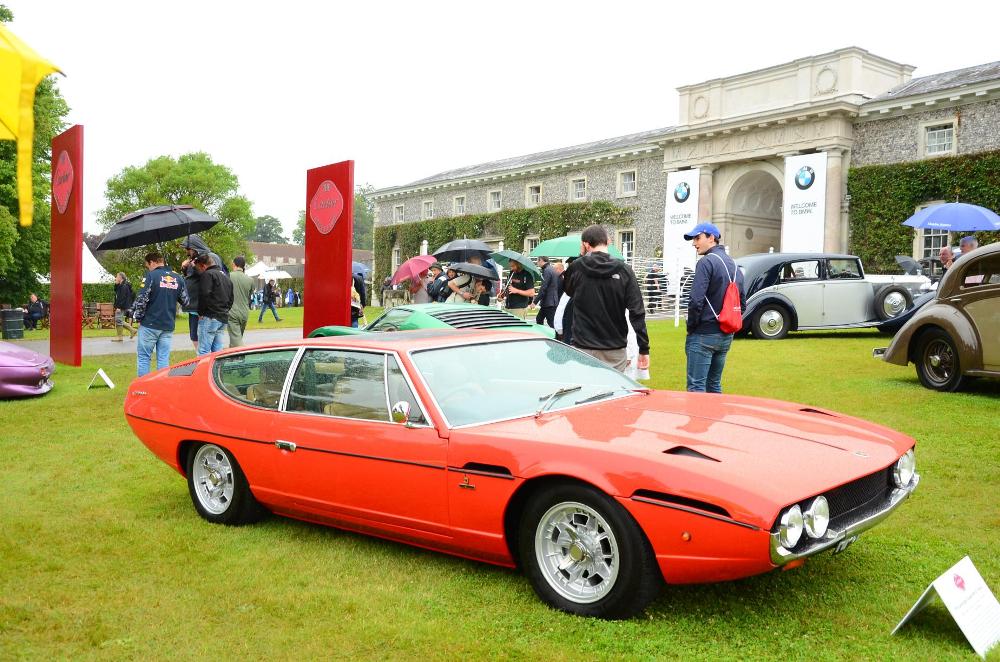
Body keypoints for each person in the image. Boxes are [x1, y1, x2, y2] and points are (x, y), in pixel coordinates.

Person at [564, 225, 649, 372]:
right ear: (608, 241)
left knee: (586, 391)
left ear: (585, 244)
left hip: (586, 345)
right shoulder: (624, 270)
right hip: (611, 348)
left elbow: (568, 290)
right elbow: (637, 311)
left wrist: (580, 256)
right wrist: (643, 347)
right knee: (614, 393)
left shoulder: (576, 267)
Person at [681, 222, 746, 393]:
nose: (694, 243)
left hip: (704, 333)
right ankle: (716, 420)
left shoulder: (706, 262)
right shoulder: (734, 265)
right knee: (714, 385)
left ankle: (700, 420)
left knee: (696, 387)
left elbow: (695, 300)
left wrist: (691, 327)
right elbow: (742, 302)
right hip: (726, 334)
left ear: (711, 238)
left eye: (697, 238)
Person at [132, 252, 189, 377]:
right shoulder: (177, 277)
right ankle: (161, 387)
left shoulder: (150, 276)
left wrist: (138, 317)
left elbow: (142, 299)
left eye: (147, 265)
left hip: (150, 324)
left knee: (144, 357)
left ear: (152, 262)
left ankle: (144, 389)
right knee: (163, 358)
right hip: (168, 324)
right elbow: (186, 301)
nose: (148, 268)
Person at [180, 235, 227, 349]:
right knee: (195, 337)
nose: (187, 252)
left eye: (188, 249)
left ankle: (205, 364)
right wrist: (185, 268)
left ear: (194, 247)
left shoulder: (210, 257)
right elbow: (193, 277)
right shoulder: (195, 259)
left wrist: (203, 311)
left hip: (204, 309)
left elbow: (211, 277)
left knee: (205, 346)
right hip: (195, 307)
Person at [194, 253, 234, 355]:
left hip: (210, 316)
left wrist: (201, 312)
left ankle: (203, 371)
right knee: (218, 352)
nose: (200, 271)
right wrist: (225, 310)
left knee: (203, 351)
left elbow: (204, 294)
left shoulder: (208, 274)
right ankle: (218, 371)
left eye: (199, 268)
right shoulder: (225, 275)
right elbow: (231, 298)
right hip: (223, 317)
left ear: (203, 265)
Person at [227, 256, 254, 348]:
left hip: (232, 312)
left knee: (236, 341)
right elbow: (249, 296)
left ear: (234, 264)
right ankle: (233, 359)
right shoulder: (250, 280)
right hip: (244, 312)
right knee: (237, 338)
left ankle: (241, 359)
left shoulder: (228, 276)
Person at [533, 256, 560, 328]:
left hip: (548, 302)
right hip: (551, 301)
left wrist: (535, 301)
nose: (537, 263)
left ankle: (558, 338)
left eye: (537, 261)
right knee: (539, 319)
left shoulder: (547, 271)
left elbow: (543, 288)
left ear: (541, 261)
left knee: (551, 322)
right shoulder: (552, 269)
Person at [112, 272, 137, 342]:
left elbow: (122, 298)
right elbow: (116, 291)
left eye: (117, 276)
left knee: (118, 320)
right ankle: (132, 330)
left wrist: (119, 307)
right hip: (121, 306)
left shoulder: (124, 286)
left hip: (121, 306)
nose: (116, 278)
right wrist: (116, 284)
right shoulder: (121, 285)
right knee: (118, 320)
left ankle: (121, 336)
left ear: (121, 277)